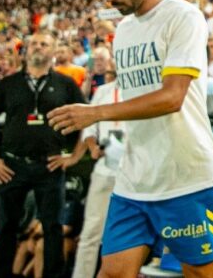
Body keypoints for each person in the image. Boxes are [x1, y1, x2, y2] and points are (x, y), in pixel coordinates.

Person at [46, 0, 213, 277]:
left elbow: (172, 97)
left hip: (185, 176)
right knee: (112, 273)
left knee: (201, 274)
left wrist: (96, 112)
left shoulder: (183, 17)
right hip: (134, 178)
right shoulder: (125, 30)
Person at [0, 31, 85, 278]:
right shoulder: (7, 84)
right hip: (13, 165)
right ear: (26, 50)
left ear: (54, 50)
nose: (38, 47)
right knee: (6, 227)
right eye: (34, 43)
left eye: (45, 44)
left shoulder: (66, 84)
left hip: (49, 166)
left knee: (53, 228)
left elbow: (85, 123)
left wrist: (72, 156)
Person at [71, 68, 124, 278]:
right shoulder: (102, 91)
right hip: (105, 166)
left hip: (137, 169)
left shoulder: (143, 91)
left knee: (132, 232)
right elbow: (89, 128)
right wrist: (93, 147)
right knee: (91, 231)